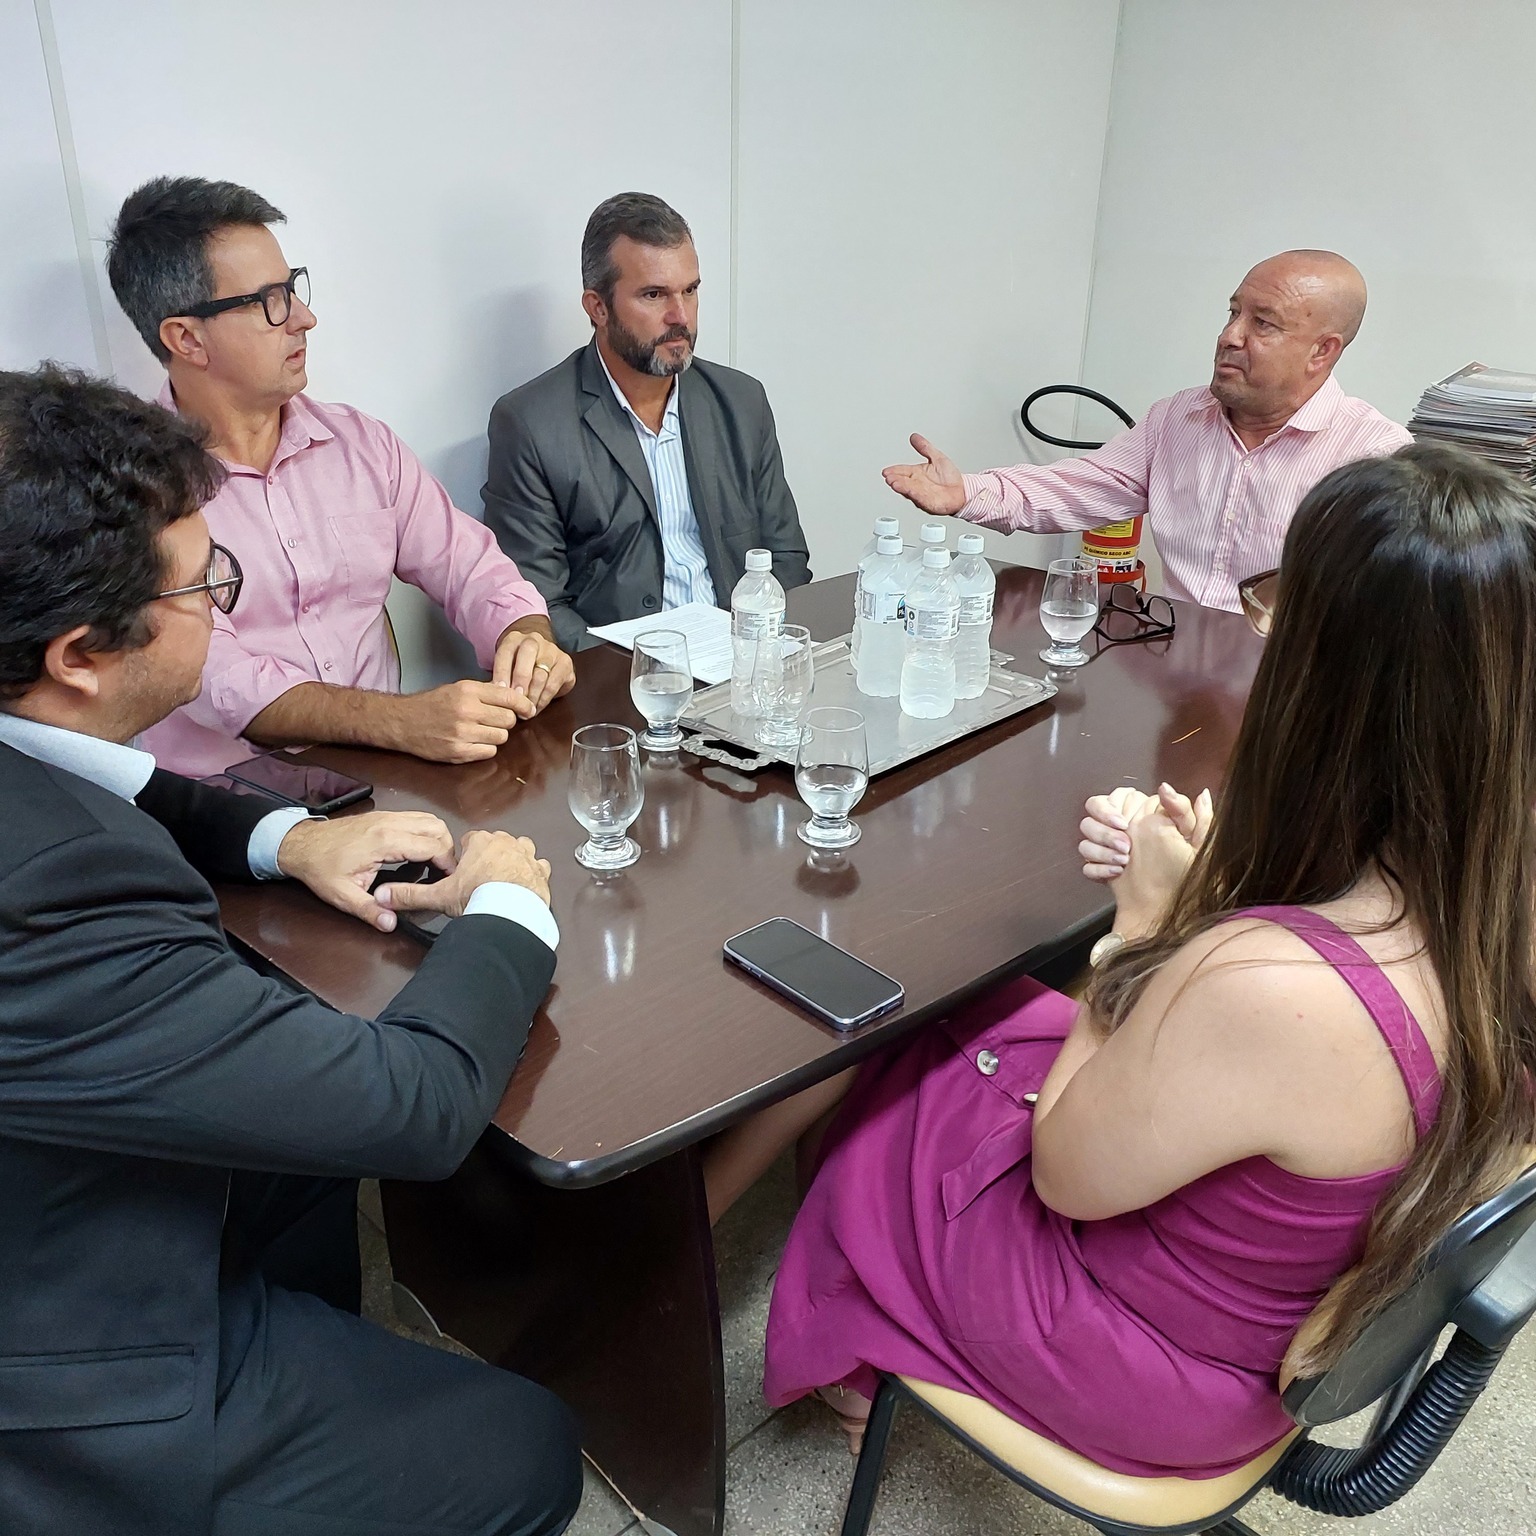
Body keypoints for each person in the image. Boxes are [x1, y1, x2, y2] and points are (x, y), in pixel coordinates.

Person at [754, 443, 1536, 1470]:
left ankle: (868, 1356)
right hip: (1276, 1305)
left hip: (1156, 1363)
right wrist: (1210, 900)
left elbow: (1066, 1175)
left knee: (898, 1075)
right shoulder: (1494, 893)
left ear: (1332, 680)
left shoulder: (1271, 984)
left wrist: (1145, 930)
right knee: (990, 1015)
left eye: (1278, 615)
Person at [0, 365, 581, 1535]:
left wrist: (288, 840)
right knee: (527, 1449)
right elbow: (413, 1109)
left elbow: (117, 786)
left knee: (307, 1145)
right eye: (203, 582)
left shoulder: (35, 749)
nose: (223, 600)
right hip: (61, 1363)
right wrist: (507, 909)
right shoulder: (49, 900)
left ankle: (318, 1353)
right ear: (80, 654)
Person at [105, 176, 575, 780]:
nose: (305, 318)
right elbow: (217, 680)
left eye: (293, 288)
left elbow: (471, 566)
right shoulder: (132, 495)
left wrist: (525, 635)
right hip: (230, 805)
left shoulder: (359, 444)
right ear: (187, 338)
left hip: (385, 783)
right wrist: (401, 721)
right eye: (270, 301)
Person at [882, 250, 1413, 613]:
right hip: (1172, 670)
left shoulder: (1377, 459)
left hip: (1292, 693)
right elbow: (1079, 487)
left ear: (1322, 351)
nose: (1229, 336)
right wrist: (967, 493)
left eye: (1263, 323)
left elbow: (1386, 620)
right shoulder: (1178, 419)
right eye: (1232, 313)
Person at [481, 192, 812, 651]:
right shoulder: (531, 424)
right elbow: (536, 605)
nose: (680, 317)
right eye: (654, 295)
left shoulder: (741, 402)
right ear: (598, 307)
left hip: (743, 661)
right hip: (621, 678)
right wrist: (642, 671)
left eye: (690, 291)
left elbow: (785, 558)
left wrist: (757, 657)